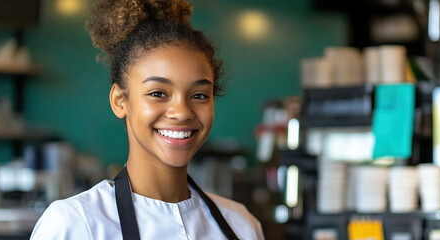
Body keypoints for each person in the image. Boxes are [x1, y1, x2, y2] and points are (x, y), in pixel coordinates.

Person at [30, 0, 264, 239]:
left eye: (199, 95)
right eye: (158, 93)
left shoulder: (242, 225)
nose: (182, 112)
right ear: (120, 100)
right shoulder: (76, 224)